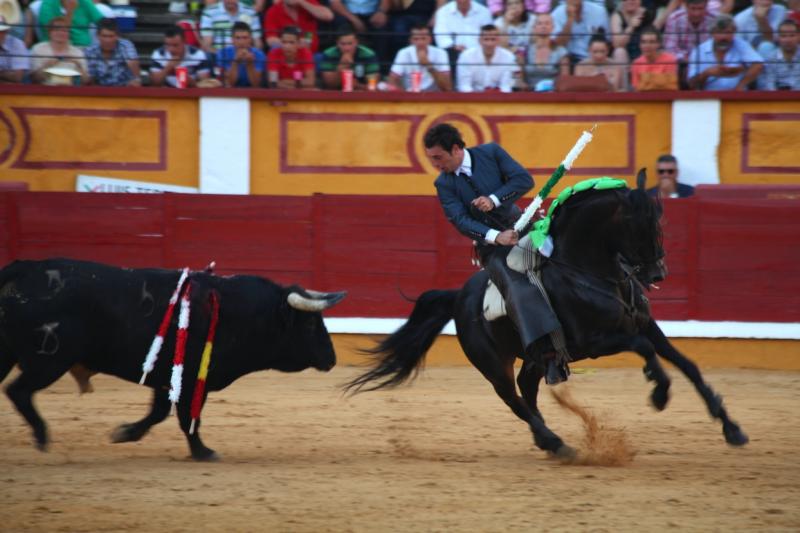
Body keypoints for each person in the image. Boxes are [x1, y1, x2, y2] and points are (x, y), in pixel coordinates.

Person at [423, 123, 568, 384]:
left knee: (567, 259)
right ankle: (548, 357)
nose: (435, 164)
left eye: (438, 158)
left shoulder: (491, 153)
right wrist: (495, 237)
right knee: (518, 289)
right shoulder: (444, 183)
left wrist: (494, 199)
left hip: (523, 227)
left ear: (455, 149)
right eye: (432, 159)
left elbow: (524, 180)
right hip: (492, 250)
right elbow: (460, 220)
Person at [687, 14, 763, 90]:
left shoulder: (741, 45)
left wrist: (741, 85)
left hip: (737, 96)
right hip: (709, 97)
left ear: (734, 32)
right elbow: (692, 84)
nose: (724, 37)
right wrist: (707, 73)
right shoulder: (700, 50)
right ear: (712, 33)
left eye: (728, 32)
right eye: (719, 32)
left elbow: (758, 65)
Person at [662, 0, 715, 86]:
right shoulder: (674, 19)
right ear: (686, 7)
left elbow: (716, 48)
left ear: (706, 7)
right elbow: (670, 49)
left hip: (707, 63)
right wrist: (690, 60)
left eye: (700, 9)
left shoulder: (714, 20)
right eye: (693, 9)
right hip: (682, 64)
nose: (696, 13)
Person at [388, 22, 452, 91]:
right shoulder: (403, 53)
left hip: (433, 96)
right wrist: (404, 94)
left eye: (423, 38)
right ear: (410, 40)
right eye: (416, 39)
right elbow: (392, 80)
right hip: (409, 95)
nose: (420, 42)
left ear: (430, 39)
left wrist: (429, 65)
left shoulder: (441, 53)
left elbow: (447, 87)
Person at [456, 23, 518, 92]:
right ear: (479, 40)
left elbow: (506, 86)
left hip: (499, 99)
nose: (489, 44)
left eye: (493, 39)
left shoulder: (508, 57)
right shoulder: (466, 56)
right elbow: (464, 86)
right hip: (472, 99)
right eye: (486, 39)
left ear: (498, 40)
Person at [30, 16, 88, 84]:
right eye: (57, 30)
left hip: (71, 91)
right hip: (44, 90)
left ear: (69, 34)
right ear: (49, 32)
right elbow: (34, 79)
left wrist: (78, 65)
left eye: (64, 30)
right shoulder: (38, 49)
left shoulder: (77, 52)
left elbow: (86, 81)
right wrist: (47, 65)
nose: (60, 33)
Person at [320, 24, 379, 89]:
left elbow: (372, 86)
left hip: (361, 94)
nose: (347, 48)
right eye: (343, 44)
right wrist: (342, 67)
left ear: (357, 42)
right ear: (337, 43)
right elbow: (329, 84)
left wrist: (358, 86)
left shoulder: (368, 55)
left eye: (350, 43)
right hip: (336, 94)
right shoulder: (329, 54)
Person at [84, 17, 140, 86]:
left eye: (111, 36)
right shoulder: (90, 51)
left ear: (118, 36)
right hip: (99, 91)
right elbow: (90, 78)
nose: (107, 40)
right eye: (104, 36)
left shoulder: (125, 45)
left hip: (124, 90)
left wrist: (136, 79)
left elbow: (133, 62)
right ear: (97, 36)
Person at [551, 0, 610, 64]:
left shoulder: (599, 11)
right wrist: (570, 19)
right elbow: (558, 44)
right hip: (569, 59)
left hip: (595, 58)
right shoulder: (557, 13)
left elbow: (607, 40)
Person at [263, 0, 333, 53]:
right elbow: (271, 40)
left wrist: (301, 2)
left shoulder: (308, 2)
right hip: (286, 56)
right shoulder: (273, 11)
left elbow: (328, 16)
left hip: (311, 53)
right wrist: (293, 44)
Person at [523, 12, 570, 91]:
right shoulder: (526, 50)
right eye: (540, 23)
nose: (543, 26)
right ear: (534, 27)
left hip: (553, 95)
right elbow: (519, 79)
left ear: (553, 27)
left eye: (547, 23)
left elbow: (565, 80)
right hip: (529, 95)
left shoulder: (561, 52)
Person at [216, 20, 265, 87]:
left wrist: (250, 64)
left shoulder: (259, 55)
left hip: (251, 92)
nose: (241, 42)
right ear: (232, 40)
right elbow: (229, 84)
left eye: (245, 38)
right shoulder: (222, 53)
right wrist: (235, 62)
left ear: (250, 39)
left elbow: (256, 85)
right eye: (237, 38)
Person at [38, 0, 103, 47]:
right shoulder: (48, 3)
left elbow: (103, 23)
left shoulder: (85, 2)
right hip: (53, 45)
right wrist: (70, 11)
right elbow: (56, 31)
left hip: (80, 46)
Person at [630, 26, 678, 90]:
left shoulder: (670, 60)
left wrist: (646, 81)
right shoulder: (637, 63)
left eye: (651, 42)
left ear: (659, 44)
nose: (647, 46)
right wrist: (659, 81)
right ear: (639, 45)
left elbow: (670, 87)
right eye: (643, 42)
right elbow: (637, 88)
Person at [759, 19, 800, 90]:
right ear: (778, 38)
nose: (788, 40)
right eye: (783, 36)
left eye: (792, 35)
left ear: (799, 36)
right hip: (778, 98)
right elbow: (770, 85)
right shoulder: (771, 58)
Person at [0, 14, 29, 83]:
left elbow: (17, 77)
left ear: (7, 31)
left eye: (2, 31)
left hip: (10, 90)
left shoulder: (17, 44)